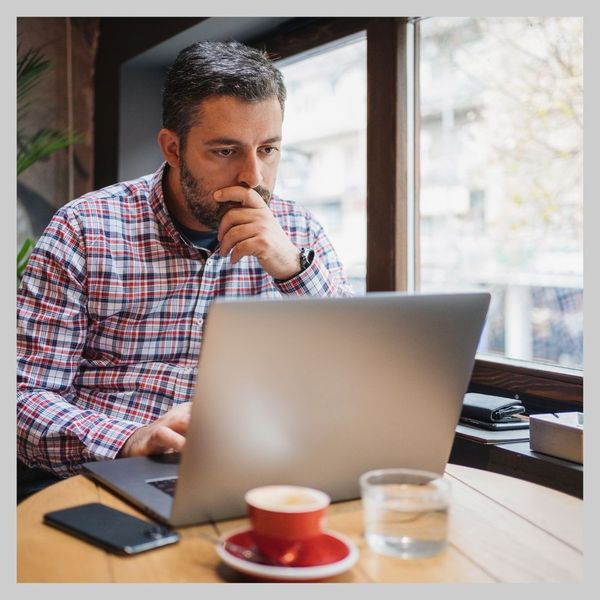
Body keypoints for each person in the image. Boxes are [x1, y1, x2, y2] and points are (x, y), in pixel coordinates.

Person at [17, 41, 352, 479]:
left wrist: (293, 270)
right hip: (111, 471)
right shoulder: (84, 229)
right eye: (226, 151)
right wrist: (129, 441)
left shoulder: (299, 233)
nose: (253, 176)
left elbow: (350, 376)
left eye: (268, 149)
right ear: (172, 148)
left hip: (258, 469)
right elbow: (23, 396)